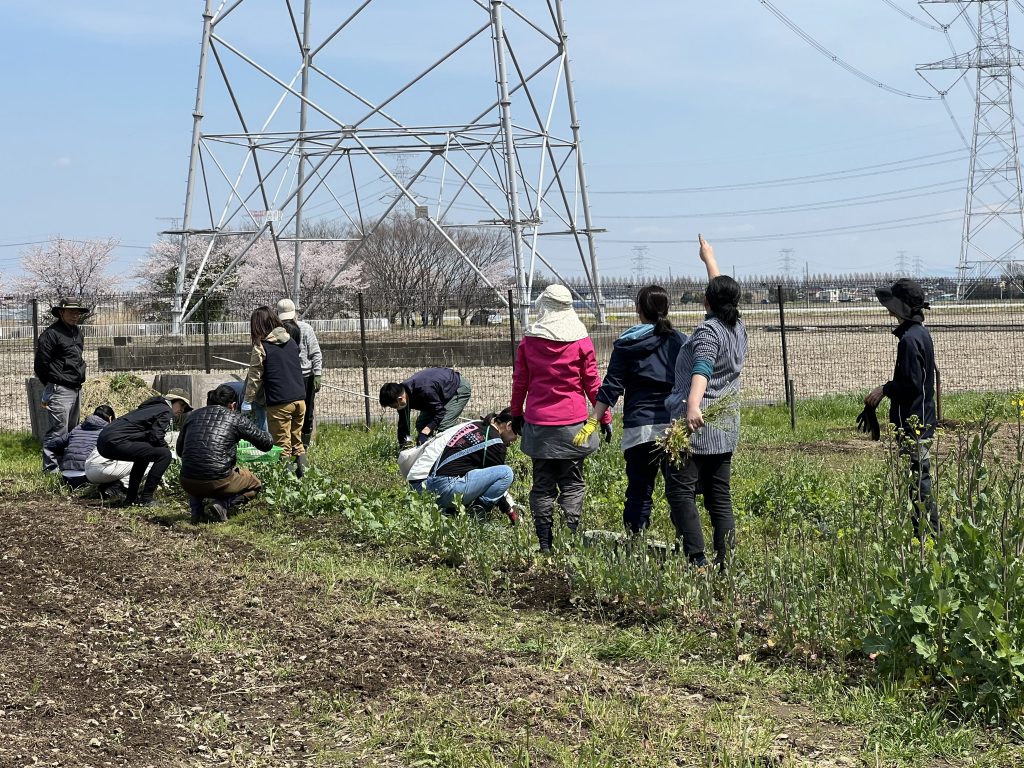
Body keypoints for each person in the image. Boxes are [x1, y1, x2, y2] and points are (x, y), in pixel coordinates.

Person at [665, 235, 748, 569]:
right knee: (719, 496)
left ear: (705, 301)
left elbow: (702, 368)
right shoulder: (737, 326)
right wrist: (708, 258)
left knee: (680, 491)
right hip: (725, 427)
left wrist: (692, 406)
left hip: (697, 428)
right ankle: (726, 562)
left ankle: (696, 559)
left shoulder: (708, 332)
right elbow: (722, 291)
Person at [509, 283, 610, 553]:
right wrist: (605, 417)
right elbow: (593, 383)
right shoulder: (581, 340)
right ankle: (570, 535)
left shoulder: (530, 341)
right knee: (573, 482)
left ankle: (545, 543)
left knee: (542, 484)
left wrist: (516, 414)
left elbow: (520, 382)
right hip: (574, 424)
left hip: (540, 423)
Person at [578, 285, 686, 534]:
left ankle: (635, 543)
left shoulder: (627, 344)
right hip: (674, 428)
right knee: (679, 492)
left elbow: (612, 386)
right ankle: (688, 546)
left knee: (639, 489)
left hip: (639, 428)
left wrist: (594, 420)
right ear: (666, 309)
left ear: (639, 309)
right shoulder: (680, 341)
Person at [865, 278, 939, 535]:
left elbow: (911, 384)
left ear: (899, 309)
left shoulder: (908, 340)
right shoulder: (920, 334)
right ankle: (926, 535)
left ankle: (929, 536)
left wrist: (885, 389)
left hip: (914, 422)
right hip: (924, 418)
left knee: (919, 483)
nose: (889, 310)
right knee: (919, 480)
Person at [177, 384, 274, 523]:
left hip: (187, 481)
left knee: (196, 468)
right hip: (218, 480)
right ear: (233, 405)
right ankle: (223, 505)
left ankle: (197, 511)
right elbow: (267, 444)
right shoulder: (235, 418)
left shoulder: (192, 416)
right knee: (255, 484)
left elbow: (180, 451)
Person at [96, 389, 193, 507]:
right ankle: (147, 497)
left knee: (144, 455)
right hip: (116, 441)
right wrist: (166, 448)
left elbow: (150, 436)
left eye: (185, 408)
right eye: (181, 405)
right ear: (172, 401)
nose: (182, 410)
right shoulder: (166, 410)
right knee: (164, 455)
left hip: (104, 441)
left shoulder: (151, 408)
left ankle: (131, 498)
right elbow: (156, 435)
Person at [244, 306, 307, 475]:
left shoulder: (261, 347)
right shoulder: (291, 341)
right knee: (297, 443)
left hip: (280, 402)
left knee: (282, 447)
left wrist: (247, 401)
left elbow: (254, 377)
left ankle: (285, 486)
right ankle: (306, 480)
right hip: (300, 400)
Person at [422, 409, 519, 519]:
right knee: (506, 473)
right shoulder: (496, 443)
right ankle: (477, 517)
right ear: (509, 425)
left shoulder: (476, 425)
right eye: (517, 434)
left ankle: (451, 512)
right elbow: (496, 486)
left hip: (429, 486)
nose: (515, 440)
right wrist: (510, 511)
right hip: (447, 489)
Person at [35, 297, 90, 473]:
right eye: (71, 312)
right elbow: (41, 364)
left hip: (76, 388)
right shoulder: (50, 334)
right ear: (61, 312)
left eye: (78, 312)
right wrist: (53, 383)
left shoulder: (77, 332)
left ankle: (68, 467)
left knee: (72, 430)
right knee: (58, 430)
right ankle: (51, 469)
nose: (75, 315)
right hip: (59, 389)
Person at [379, 367, 472, 447]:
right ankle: (430, 449)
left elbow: (440, 412)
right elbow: (404, 423)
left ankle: (456, 449)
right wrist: (404, 445)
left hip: (456, 387)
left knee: (444, 425)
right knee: (421, 424)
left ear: (400, 399)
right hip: (439, 393)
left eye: (393, 406)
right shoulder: (403, 395)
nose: (395, 408)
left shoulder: (424, 390)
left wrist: (426, 432)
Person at [277, 298, 323, 448]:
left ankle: (304, 446)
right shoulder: (277, 331)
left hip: (306, 376)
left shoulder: (305, 328)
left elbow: (315, 352)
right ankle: (289, 445)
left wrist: (317, 373)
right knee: (288, 412)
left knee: (307, 412)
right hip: (287, 376)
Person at [44, 405, 115, 490]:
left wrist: (54, 468)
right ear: (110, 418)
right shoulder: (108, 432)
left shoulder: (78, 428)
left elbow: (51, 445)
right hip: (87, 477)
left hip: (66, 478)